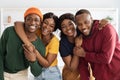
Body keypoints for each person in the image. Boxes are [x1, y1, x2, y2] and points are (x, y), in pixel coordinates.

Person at [0, 7, 46, 80]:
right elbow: (0, 54)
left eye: (36, 20)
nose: (32, 22)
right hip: (3, 72)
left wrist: (33, 61)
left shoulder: (39, 45)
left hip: (21, 75)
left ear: (40, 23)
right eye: (29, 19)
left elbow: (37, 72)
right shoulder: (9, 31)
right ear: (24, 20)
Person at [74, 9, 120, 80]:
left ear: (91, 19)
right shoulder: (80, 39)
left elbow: (106, 58)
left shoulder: (106, 29)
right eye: (79, 24)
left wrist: (84, 54)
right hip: (101, 77)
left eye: (86, 22)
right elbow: (83, 65)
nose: (83, 27)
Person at [14, 12, 62, 80]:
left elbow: (47, 64)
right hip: (37, 70)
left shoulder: (54, 41)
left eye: (51, 26)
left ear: (54, 29)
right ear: (41, 22)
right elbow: (17, 24)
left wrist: (34, 50)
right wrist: (28, 43)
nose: (47, 27)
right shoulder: (36, 31)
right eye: (45, 23)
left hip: (51, 72)